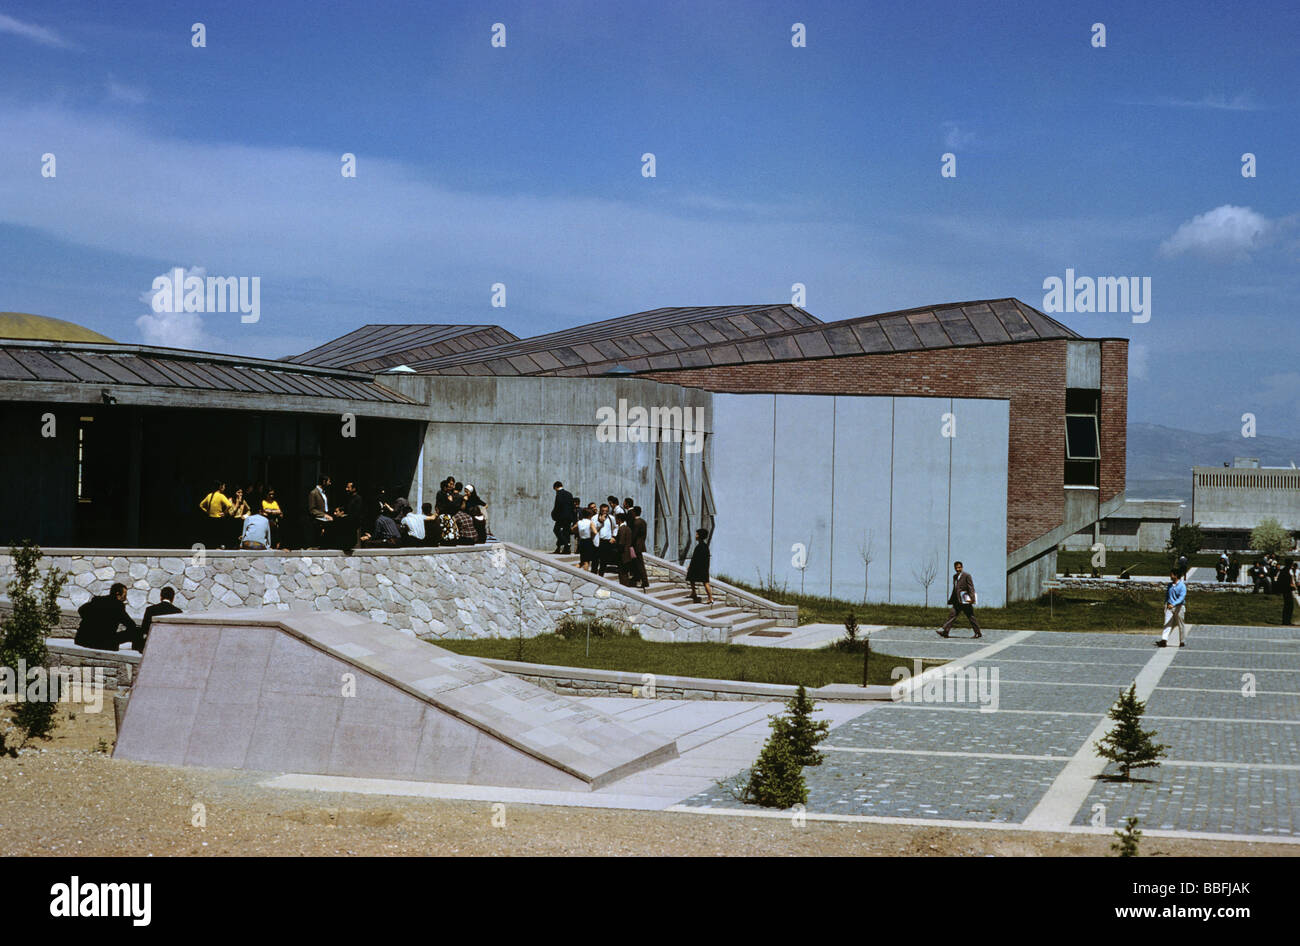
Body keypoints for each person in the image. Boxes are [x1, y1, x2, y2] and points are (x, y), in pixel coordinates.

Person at [74, 583, 141, 651]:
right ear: (117, 593)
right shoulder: (118, 606)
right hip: (103, 643)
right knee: (137, 631)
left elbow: (81, 610)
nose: (126, 598)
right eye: (125, 594)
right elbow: (131, 624)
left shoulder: (98, 600)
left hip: (82, 640)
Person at [938, 561, 982, 639]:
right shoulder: (954, 576)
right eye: (956, 567)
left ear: (962, 567)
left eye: (959, 567)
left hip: (965, 601)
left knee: (971, 617)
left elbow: (971, 587)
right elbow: (955, 589)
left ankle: (978, 633)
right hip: (957, 601)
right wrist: (951, 599)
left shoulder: (967, 576)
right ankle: (945, 632)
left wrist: (972, 599)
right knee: (952, 615)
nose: (958, 569)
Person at [199, 480, 233, 549]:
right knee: (218, 535)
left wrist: (207, 511)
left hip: (210, 517)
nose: (224, 488)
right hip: (218, 518)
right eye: (223, 486)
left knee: (211, 535)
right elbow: (229, 505)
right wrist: (224, 512)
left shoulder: (209, 495)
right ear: (220, 487)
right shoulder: (221, 496)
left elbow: (201, 505)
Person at [1158, 568, 1188, 647]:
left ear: (1176, 575)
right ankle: (1164, 640)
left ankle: (1182, 641)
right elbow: (1167, 595)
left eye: (1171, 574)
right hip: (1169, 607)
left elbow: (1182, 597)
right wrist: (1165, 604)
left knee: (1180, 624)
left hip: (1179, 607)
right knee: (1167, 623)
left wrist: (1174, 604)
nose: (1170, 576)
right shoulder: (1170, 585)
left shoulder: (1182, 586)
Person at [686, 528, 714, 605]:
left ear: (700, 536)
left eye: (697, 534)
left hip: (699, 567)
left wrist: (690, 566)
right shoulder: (705, 546)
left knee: (704, 582)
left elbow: (695, 558)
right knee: (694, 579)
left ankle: (710, 598)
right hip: (703, 567)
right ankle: (694, 593)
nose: (695, 536)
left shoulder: (700, 547)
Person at [306, 475, 333, 548]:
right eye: (329, 481)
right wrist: (324, 515)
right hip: (318, 520)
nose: (330, 483)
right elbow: (312, 510)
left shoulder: (325, 493)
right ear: (324, 482)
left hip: (326, 518)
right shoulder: (313, 493)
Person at [551, 481, 576, 553]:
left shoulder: (559, 494)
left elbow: (557, 506)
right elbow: (572, 506)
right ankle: (565, 549)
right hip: (569, 517)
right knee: (566, 532)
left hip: (561, 517)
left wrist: (554, 514)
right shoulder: (569, 494)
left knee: (556, 530)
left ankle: (566, 544)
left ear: (556, 487)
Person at [615, 512, 637, 586]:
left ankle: (624, 586)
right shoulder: (628, 528)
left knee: (622, 573)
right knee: (625, 572)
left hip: (623, 554)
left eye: (616, 519)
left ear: (619, 520)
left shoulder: (622, 529)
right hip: (627, 554)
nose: (615, 520)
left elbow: (621, 542)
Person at [631, 505, 649, 588]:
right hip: (641, 544)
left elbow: (634, 535)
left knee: (639, 564)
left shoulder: (636, 523)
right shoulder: (643, 521)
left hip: (636, 545)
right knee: (639, 563)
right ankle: (639, 578)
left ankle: (644, 580)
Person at [1280, 558, 1296, 627]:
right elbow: (1285, 582)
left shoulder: (1287, 570)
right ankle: (1286, 621)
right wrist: (1291, 586)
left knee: (1289, 606)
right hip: (1286, 591)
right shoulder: (1285, 571)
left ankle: (1287, 620)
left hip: (1287, 590)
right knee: (1288, 605)